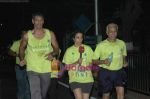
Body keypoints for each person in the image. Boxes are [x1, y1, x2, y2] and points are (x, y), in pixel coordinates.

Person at [19, 12, 59, 99]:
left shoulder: (50, 33)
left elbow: (56, 48)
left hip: (46, 68)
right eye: (36, 20)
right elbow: (21, 48)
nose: (39, 22)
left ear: (43, 21)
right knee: (35, 94)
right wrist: (22, 59)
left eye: (41, 20)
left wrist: (53, 53)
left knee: (43, 94)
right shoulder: (27, 35)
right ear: (33, 21)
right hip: (32, 68)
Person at [93, 23, 128, 99]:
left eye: (115, 31)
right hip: (106, 72)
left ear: (117, 32)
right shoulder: (101, 45)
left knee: (121, 94)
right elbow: (94, 61)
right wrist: (103, 62)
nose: (113, 34)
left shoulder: (122, 43)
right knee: (106, 95)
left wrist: (124, 62)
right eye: (110, 32)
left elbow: (123, 55)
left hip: (119, 72)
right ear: (107, 33)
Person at [62, 31, 94, 99]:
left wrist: (90, 66)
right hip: (74, 79)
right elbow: (66, 67)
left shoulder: (88, 49)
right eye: (77, 37)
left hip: (87, 79)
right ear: (73, 39)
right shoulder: (69, 51)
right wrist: (77, 62)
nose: (80, 39)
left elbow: (92, 63)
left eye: (81, 38)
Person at [8, 31, 31, 99]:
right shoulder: (17, 43)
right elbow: (9, 52)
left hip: (29, 67)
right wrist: (17, 55)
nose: (25, 35)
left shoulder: (30, 43)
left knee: (28, 84)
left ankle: (27, 97)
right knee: (21, 82)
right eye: (24, 34)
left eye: (26, 34)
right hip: (19, 67)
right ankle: (20, 97)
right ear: (21, 35)